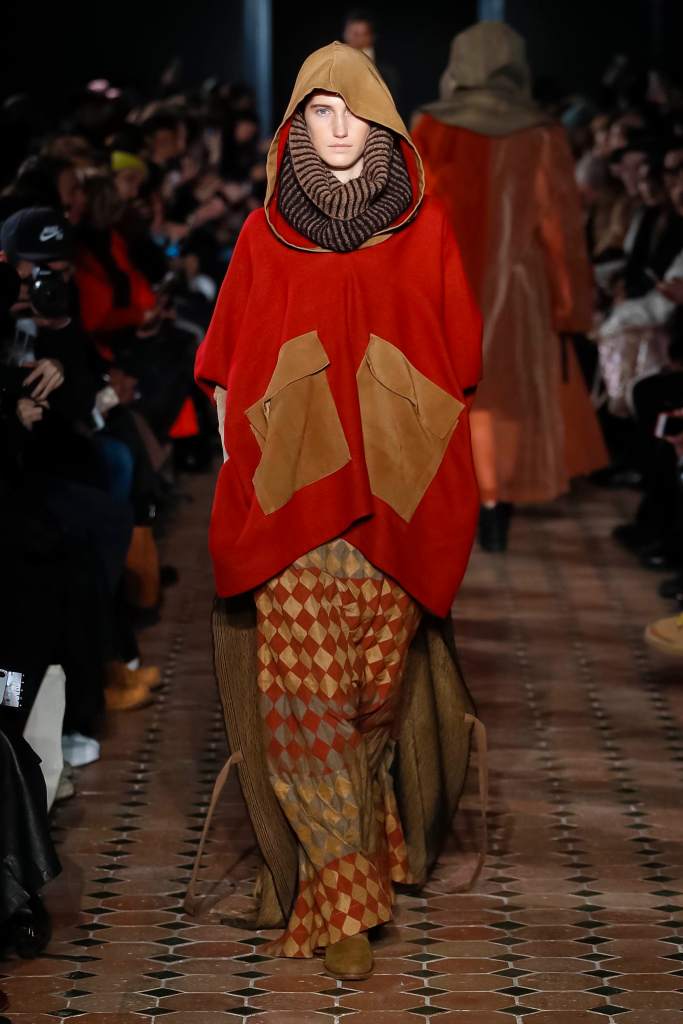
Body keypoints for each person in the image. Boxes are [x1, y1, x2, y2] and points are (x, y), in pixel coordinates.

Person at [196, 42, 482, 981]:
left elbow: (460, 364)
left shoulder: (425, 230)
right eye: (320, 110)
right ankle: (343, 904)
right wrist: (246, 455)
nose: (339, 127)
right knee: (306, 703)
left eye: (354, 109)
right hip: (293, 503)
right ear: (296, 124)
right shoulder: (262, 235)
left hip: (394, 504)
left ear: (383, 119)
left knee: (368, 702)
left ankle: (350, 852)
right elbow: (223, 366)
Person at [412, 21, 608, 550]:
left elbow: (408, 212)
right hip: (518, 287)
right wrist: (570, 306)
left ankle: (458, 503)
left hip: (444, 283)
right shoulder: (542, 133)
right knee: (508, 398)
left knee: (453, 395)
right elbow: (560, 227)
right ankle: (497, 506)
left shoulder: (431, 125)